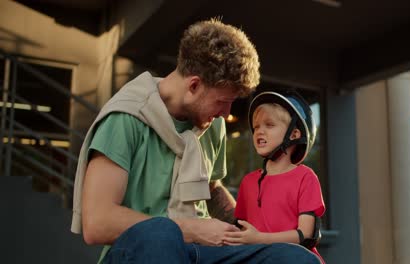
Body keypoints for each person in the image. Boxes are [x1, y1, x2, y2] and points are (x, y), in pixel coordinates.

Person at [71, 18, 318, 263]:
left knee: (294, 257)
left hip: (202, 252)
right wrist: (189, 230)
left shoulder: (211, 124)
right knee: (161, 233)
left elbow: (211, 188)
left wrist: (247, 231)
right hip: (143, 250)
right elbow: (97, 223)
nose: (226, 113)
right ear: (194, 85)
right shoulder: (124, 120)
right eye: (222, 101)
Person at [224, 91, 326, 263]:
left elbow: (306, 235)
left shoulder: (305, 177)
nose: (259, 131)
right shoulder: (248, 182)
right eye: (256, 127)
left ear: (294, 134)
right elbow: (241, 231)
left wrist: (258, 239)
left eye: (269, 125)